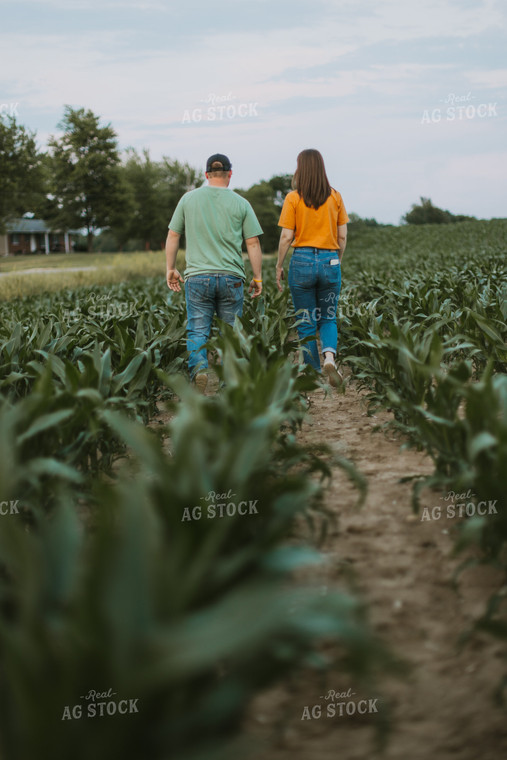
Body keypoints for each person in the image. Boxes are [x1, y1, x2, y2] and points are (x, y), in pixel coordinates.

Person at [165, 153, 263, 392]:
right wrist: (258, 276)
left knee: (197, 329)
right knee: (231, 331)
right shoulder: (241, 203)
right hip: (232, 277)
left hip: (198, 277)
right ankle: (229, 384)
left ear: (206, 174)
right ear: (230, 174)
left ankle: (199, 369)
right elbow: (252, 243)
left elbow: (173, 235)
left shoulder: (188, 199)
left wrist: (170, 268)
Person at [276, 149, 348, 387]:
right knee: (328, 317)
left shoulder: (293, 198)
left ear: (300, 169)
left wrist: (279, 265)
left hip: (302, 261)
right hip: (330, 260)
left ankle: (313, 372)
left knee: (305, 319)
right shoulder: (335, 196)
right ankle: (329, 356)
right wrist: (336, 260)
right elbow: (343, 236)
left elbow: (287, 236)